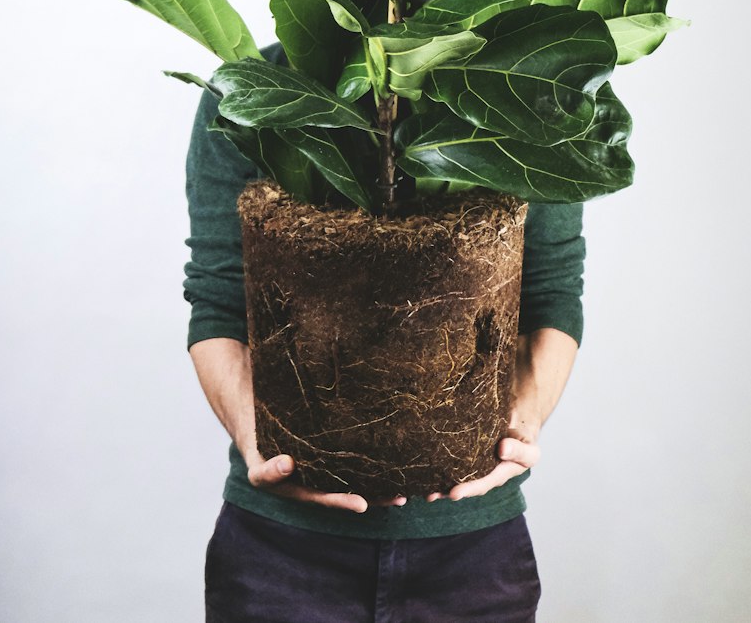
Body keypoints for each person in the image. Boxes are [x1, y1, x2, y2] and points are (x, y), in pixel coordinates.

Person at [184, 42, 586, 623]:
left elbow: (551, 292)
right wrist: (255, 440)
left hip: (472, 557)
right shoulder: (251, 88)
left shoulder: (520, 90)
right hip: (280, 556)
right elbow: (218, 298)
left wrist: (523, 420)